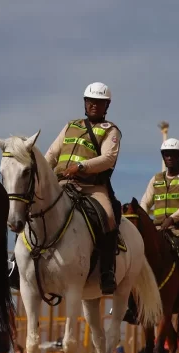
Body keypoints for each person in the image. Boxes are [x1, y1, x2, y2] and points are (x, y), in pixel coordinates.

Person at [123, 138, 179, 325]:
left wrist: (172, 219)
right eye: (166, 154)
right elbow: (144, 203)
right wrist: (144, 221)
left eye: (173, 154)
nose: (169, 158)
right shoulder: (155, 180)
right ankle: (131, 306)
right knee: (134, 257)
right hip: (157, 229)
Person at [45, 82, 122, 294]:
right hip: (60, 183)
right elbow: (52, 154)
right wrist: (43, 173)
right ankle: (17, 263)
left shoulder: (111, 131)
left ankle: (107, 272)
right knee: (32, 205)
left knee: (108, 216)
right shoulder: (71, 125)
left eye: (99, 102)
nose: (94, 106)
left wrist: (80, 167)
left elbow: (108, 158)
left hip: (91, 187)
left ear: (107, 105)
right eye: (90, 101)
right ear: (85, 103)